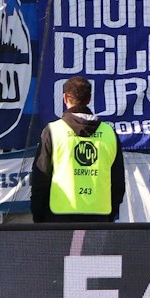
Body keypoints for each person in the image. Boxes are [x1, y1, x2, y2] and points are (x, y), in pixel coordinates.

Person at [31, 76, 126, 225]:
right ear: (89, 99)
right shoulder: (109, 133)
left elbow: (40, 180)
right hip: (99, 218)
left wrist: (39, 218)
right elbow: (118, 183)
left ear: (65, 98)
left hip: (58, 218)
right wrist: (109, 216)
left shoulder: (53, 130)